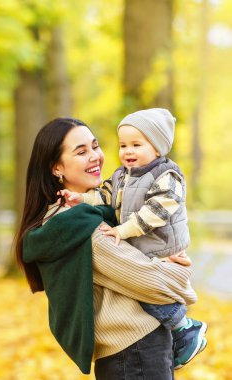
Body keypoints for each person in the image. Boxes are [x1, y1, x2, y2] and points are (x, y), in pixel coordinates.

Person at [16, 117, 198, 380]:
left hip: (130, 350)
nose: (95, 157)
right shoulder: (81, 226)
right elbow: (158, 283)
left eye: (95, 146)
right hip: (135, 350)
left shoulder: (90, 213)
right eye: (81, 152)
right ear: (56, 167)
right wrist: (178, 270)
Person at [59, 109, 207, 369]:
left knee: (147, 292)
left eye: (136, 145)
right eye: (123, 145)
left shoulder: (167, 176)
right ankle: (181, 331)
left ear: (157, 147)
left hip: (161, 243)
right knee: (143, 290)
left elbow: (157, 212)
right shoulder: (122, 175)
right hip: (143, 244)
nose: (128, 151)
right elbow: (105, 195)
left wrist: (122, 231)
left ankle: (184, 328)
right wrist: (80, 198)